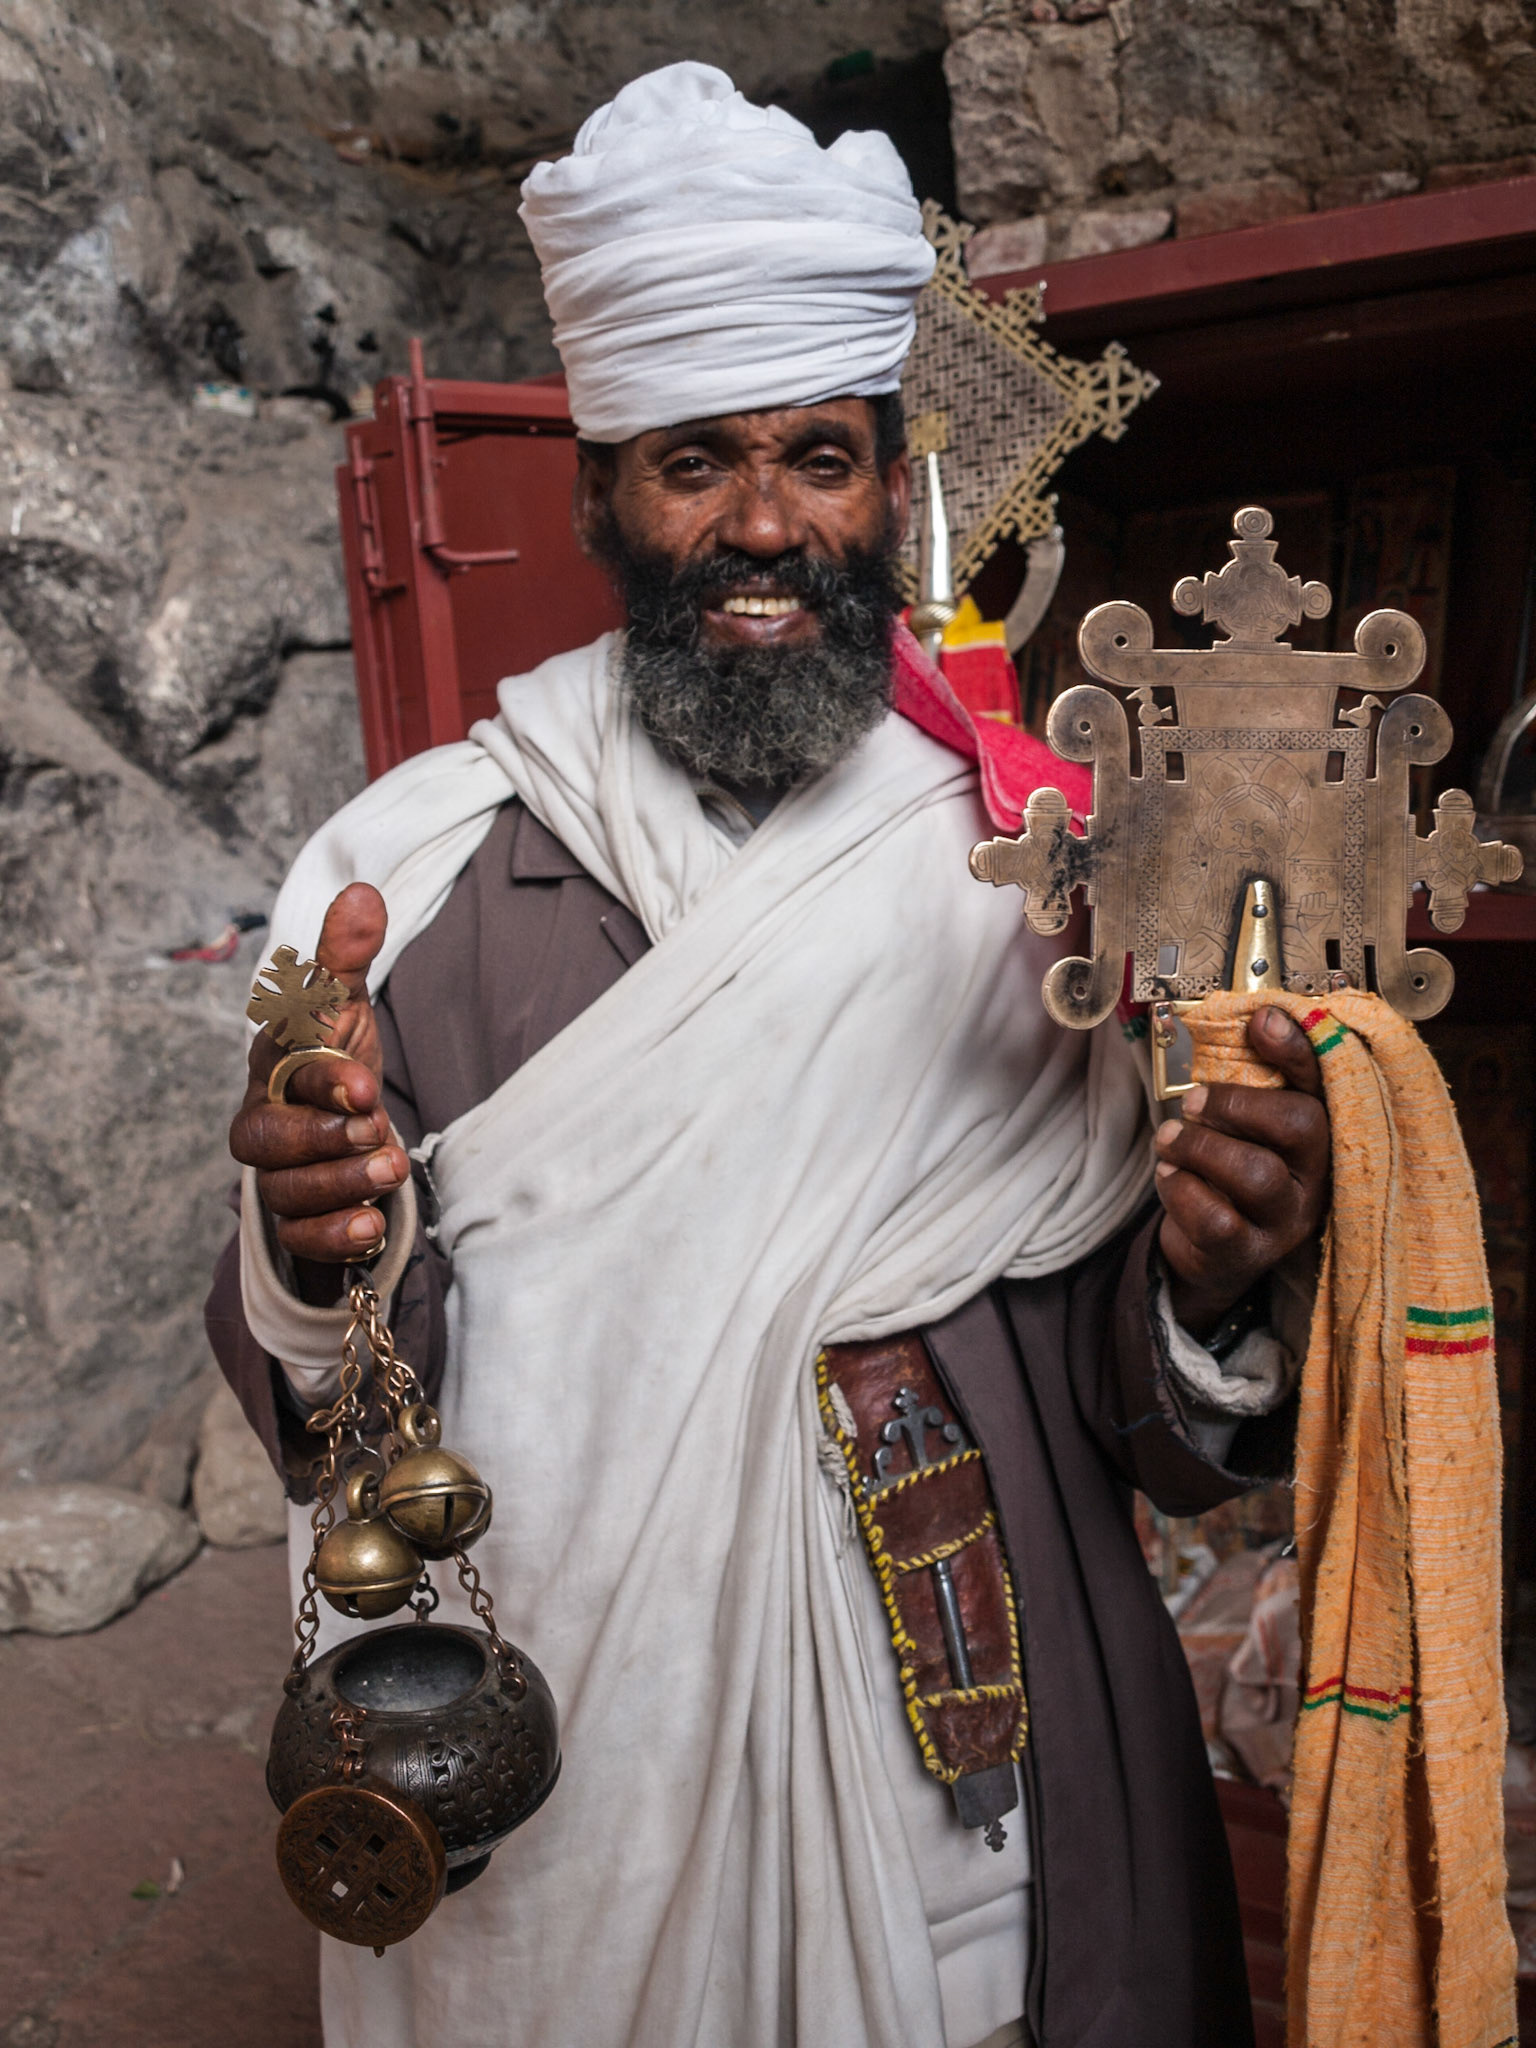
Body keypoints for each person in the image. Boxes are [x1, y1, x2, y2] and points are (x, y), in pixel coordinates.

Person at [206, 63, 1328, 2048]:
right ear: (598, 497)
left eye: (820, 457)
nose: (761, 524)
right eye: (693, 460)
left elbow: (1133, 1410)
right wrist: (317, 1248)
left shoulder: (1034, 874)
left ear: (894, 489)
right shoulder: (415, 870)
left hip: (950, 1734)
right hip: (565, 1750)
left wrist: (1216, 1277)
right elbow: (346, 1396)